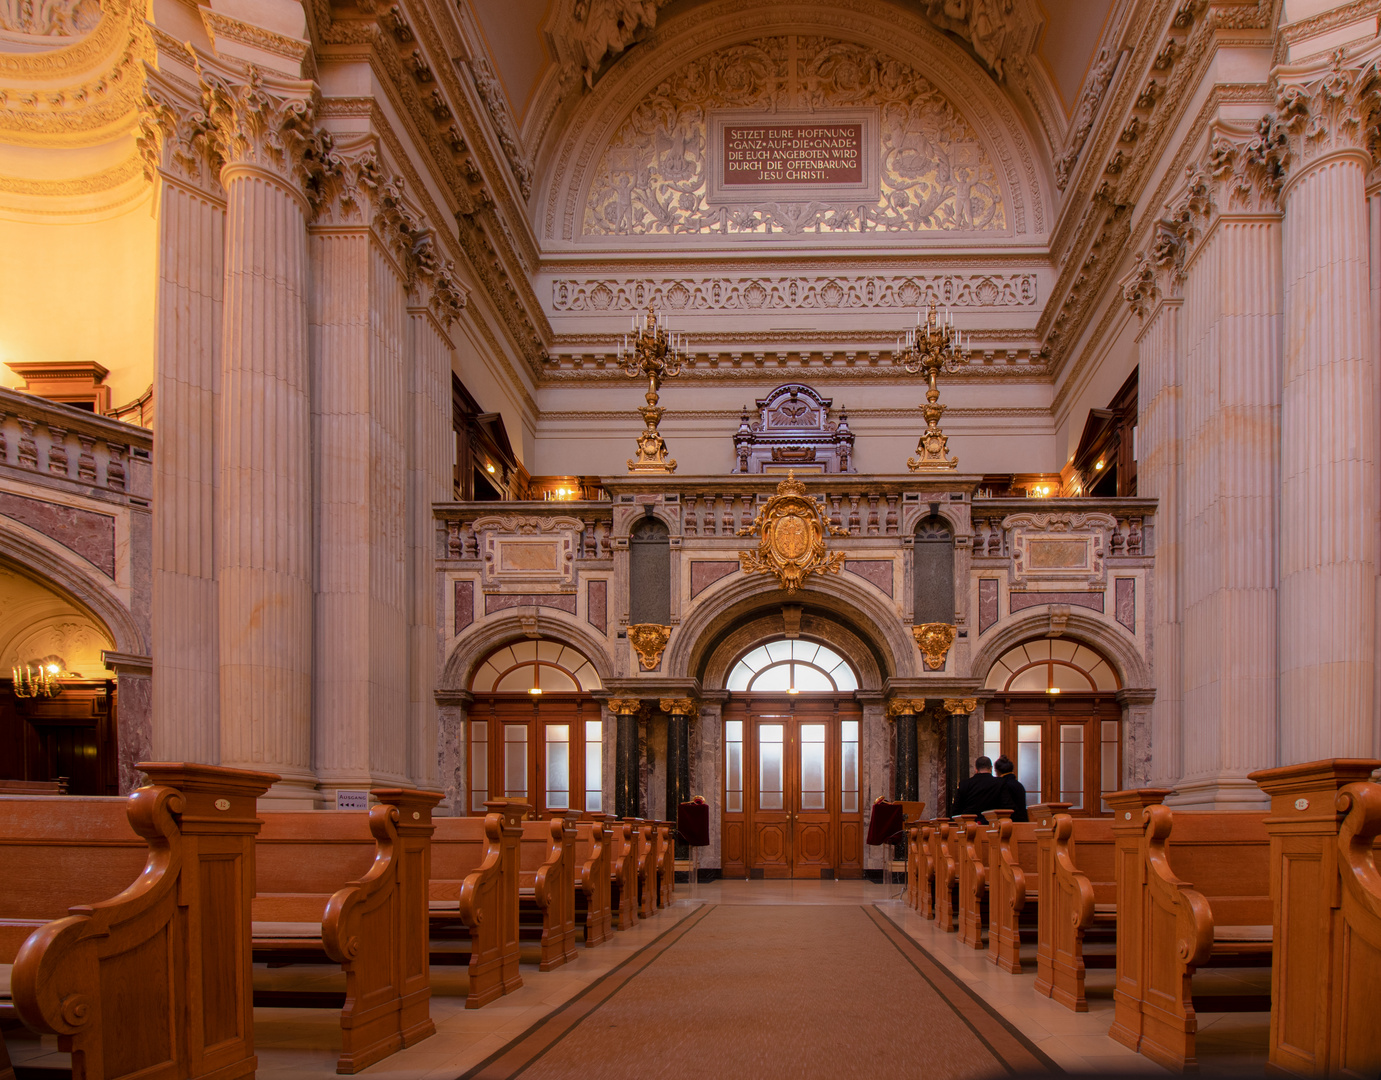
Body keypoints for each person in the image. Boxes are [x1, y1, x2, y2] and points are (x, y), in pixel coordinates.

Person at [951, 756, 1002, 821]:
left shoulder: (964, 784)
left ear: (976, 769)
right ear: (991, 768)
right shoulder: (999, 783)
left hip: (969, 824)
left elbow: (956, 809)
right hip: (992, 824)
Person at [994, 755, 1030, 822]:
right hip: (1023, 820)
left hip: (1010, 823)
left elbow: (1005, 807)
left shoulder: (1003, 785)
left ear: (997, 771)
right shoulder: (1019, 785)